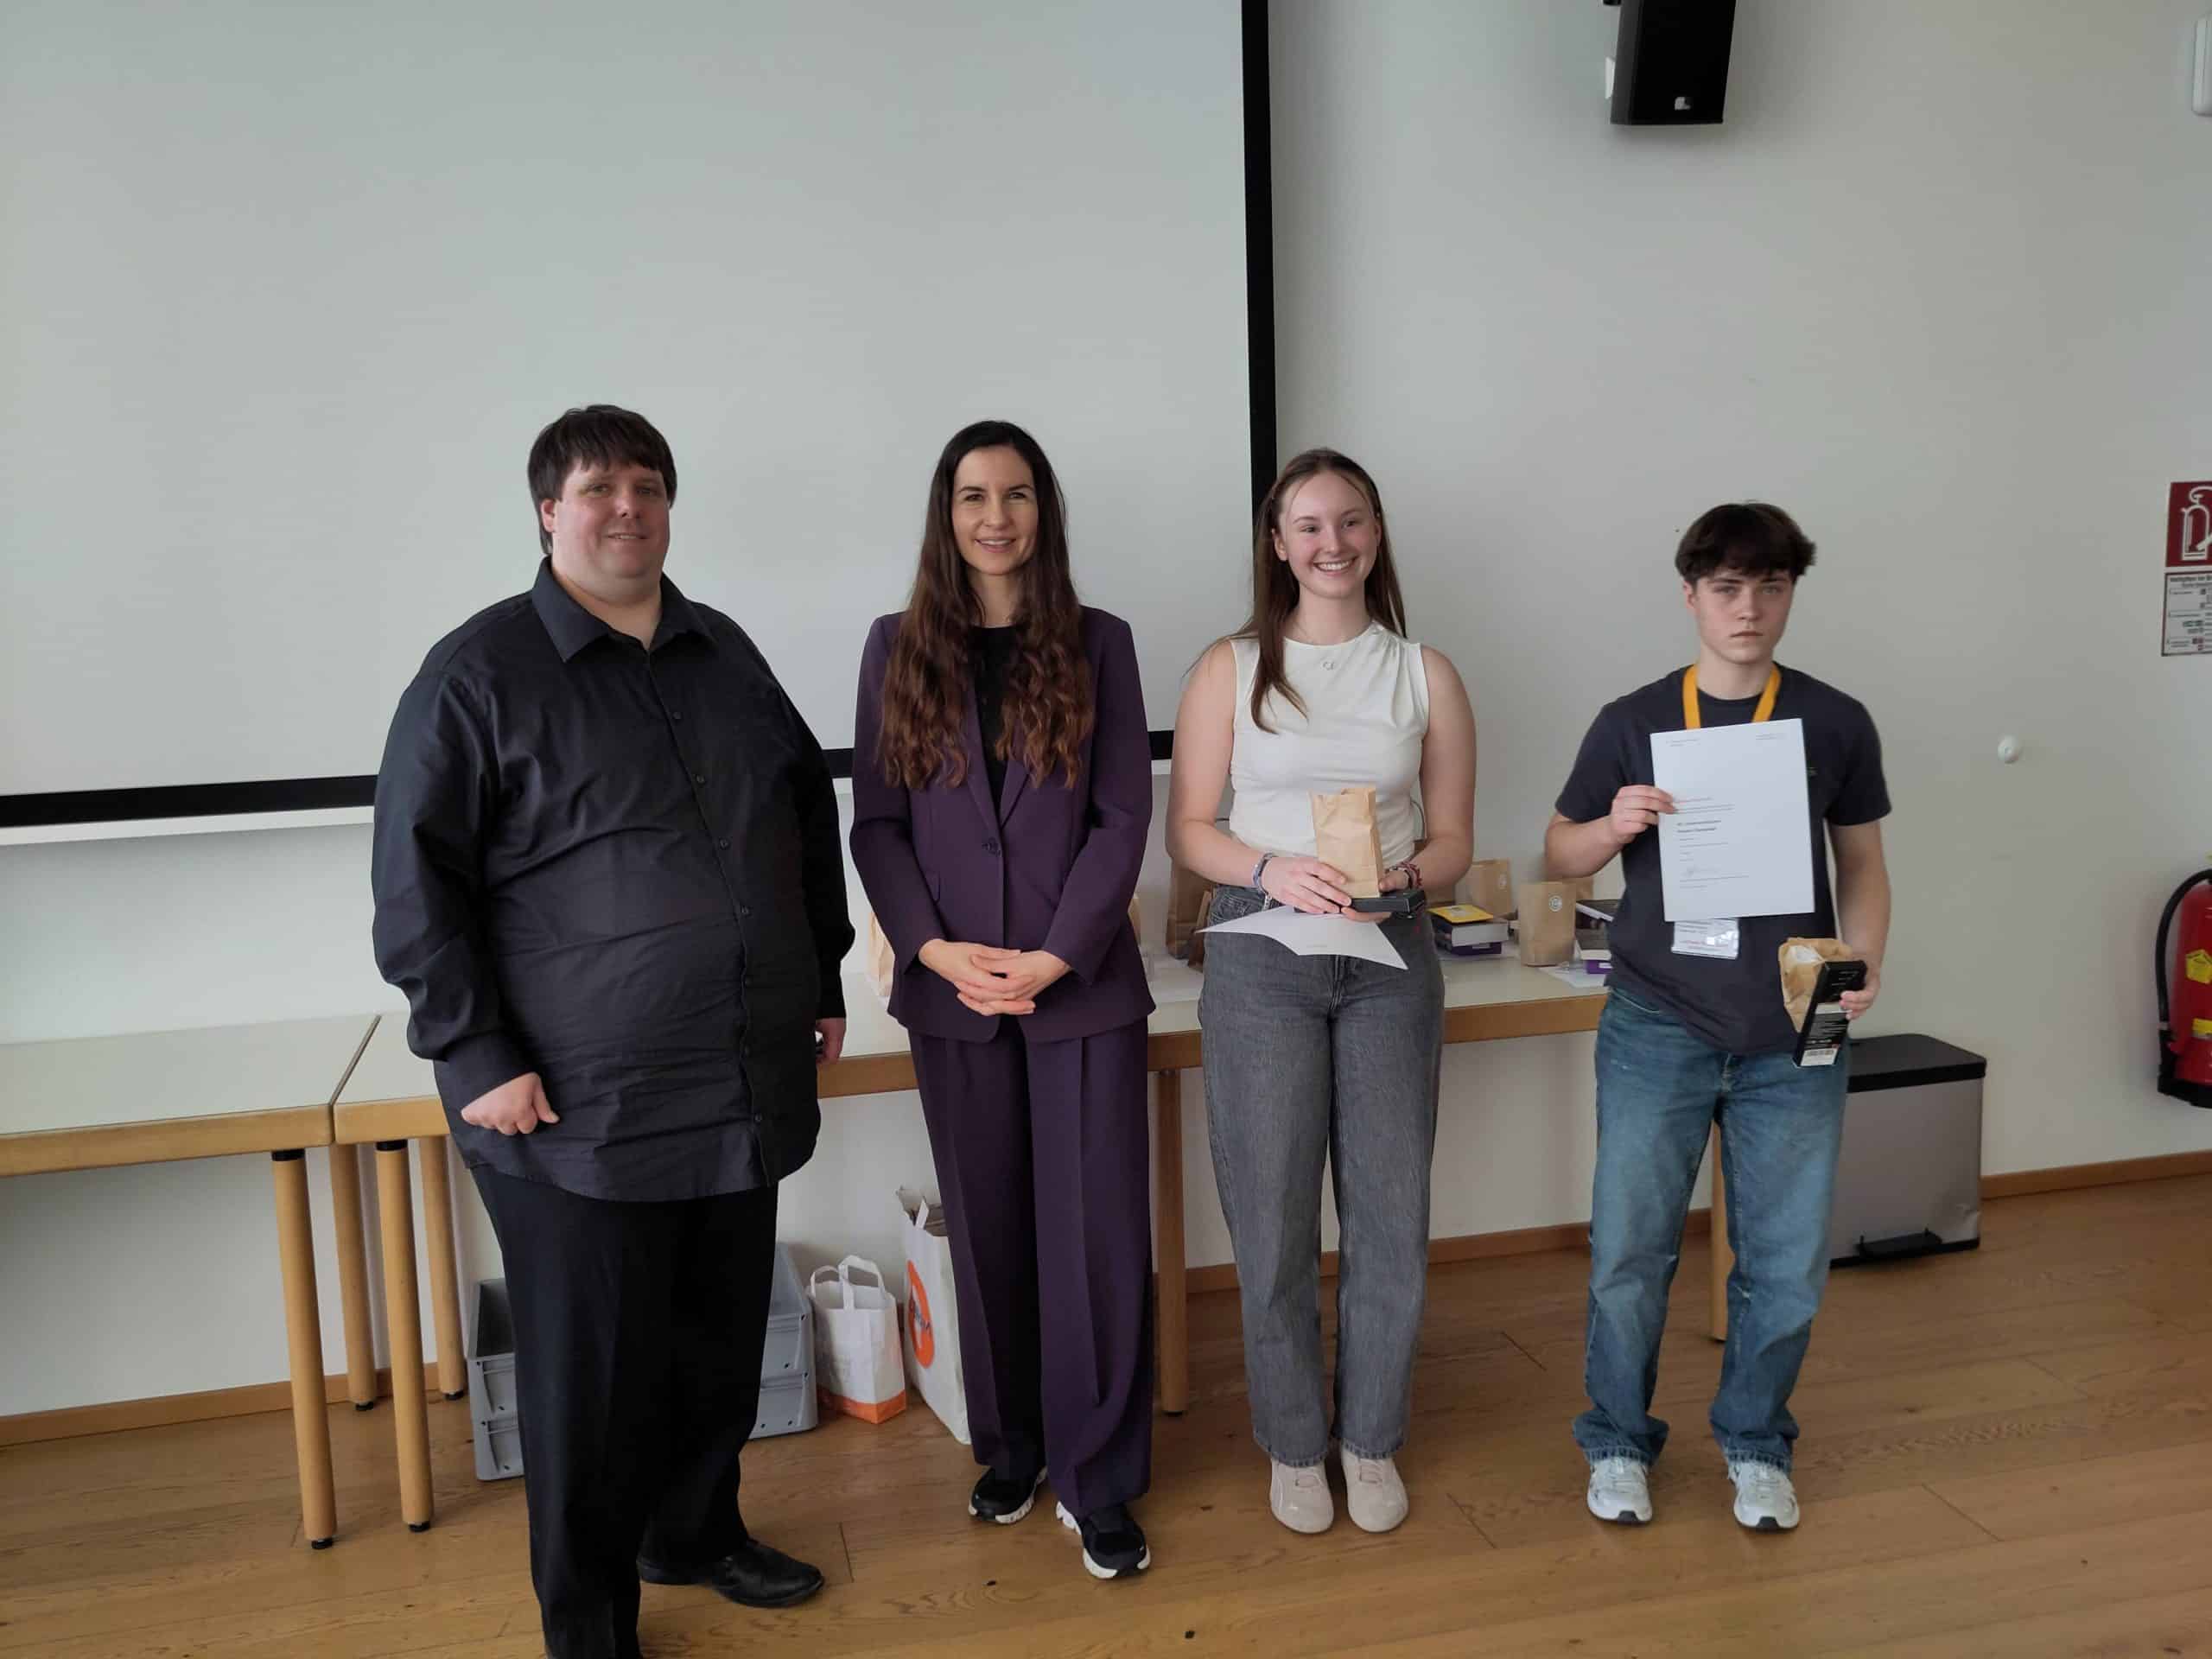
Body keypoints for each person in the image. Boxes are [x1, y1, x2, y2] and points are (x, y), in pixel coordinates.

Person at [371, 405, 854, 1659]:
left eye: (646, 484)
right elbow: (417, 885)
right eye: (597, 487)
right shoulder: (475, 676)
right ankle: (587, 1626)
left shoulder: (725, 650)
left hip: (736, 1078)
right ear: (549, 512)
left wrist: (823, 978)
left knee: (715, 1346)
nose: (626, 507)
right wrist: (475, 1053)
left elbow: (802, 817)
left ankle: (692, 1534)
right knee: (590, 1385)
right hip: (572, 1105)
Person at [1545, 501, 1891, 1534]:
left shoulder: (1833, 719)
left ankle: (1755, 1443)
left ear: (1790, 595)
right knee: (1630, 1250)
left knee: (1784, 1262)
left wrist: (1866, 960)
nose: (1748, 609)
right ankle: (1616, 1439)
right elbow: (1558, 852)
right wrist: (1611, 826)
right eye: (1727, 589)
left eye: (1770, 587)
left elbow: (1862, 864)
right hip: (1657, 1018)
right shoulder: (1633, 720)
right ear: (1690, 596)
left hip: (1799, 1017)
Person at [849, 419, 1156, 1580]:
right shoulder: (894, 647)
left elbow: (1122, 816)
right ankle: (1016, 1447)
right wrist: (932, 950)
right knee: (987, 1228)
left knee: (1094, 1236)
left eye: (1016, 494)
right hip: (951, 991)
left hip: (1079, 990)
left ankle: (1098, 1475)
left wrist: (1059, 954)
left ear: (1043, 511)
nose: (995, 516)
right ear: (947, 513)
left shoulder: (1101, 643)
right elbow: (878, 824)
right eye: (973, 495)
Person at [1164, 448, 1475, 1536]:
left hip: (1390, 957)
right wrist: (1269, 868)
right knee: (1273, 1215)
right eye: (1307, 525)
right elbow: (1189, 830)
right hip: (1262, 958)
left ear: (1375, 535)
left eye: (1349, 522)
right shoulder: (1230, 668)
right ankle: (1296, 1444)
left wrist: (1404, 877)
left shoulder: (1424, 673)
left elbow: (1452, 840)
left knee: (1390, 1214)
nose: (1330, 543)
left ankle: (1371, 1439)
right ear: (1277, 543)